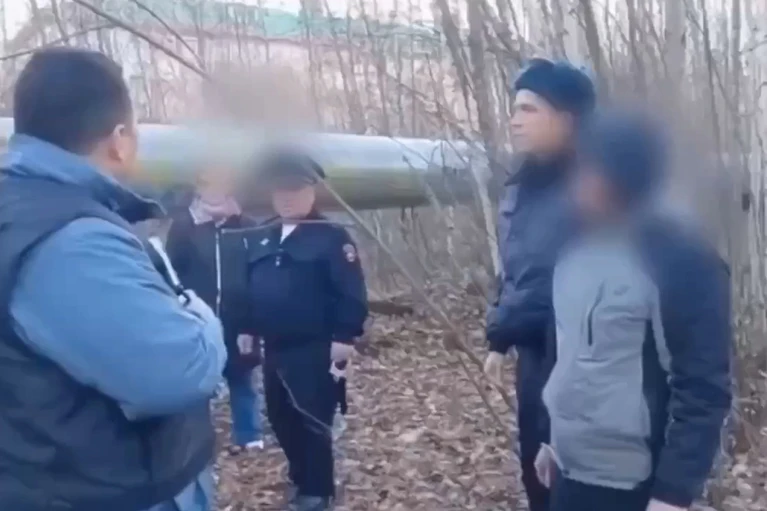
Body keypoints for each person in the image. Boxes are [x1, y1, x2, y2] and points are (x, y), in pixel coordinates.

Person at [0, 48, 226, 511]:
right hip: (106, 487)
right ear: (120, 140)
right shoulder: (73, 241)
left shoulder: (19, 209)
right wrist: (201, 314)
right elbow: (180, 370)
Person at [538, 110, 732, 511]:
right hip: (571, 473)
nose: (577, 180)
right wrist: (555, 442)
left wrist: (673, 493)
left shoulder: (681, 258)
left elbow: (703, 388)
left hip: (636, 486)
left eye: (590, 168)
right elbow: (570, 359)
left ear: (624, 175)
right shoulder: (573, 248)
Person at [482, 58, 596, 511]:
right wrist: (499, 335)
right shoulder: (522, 185)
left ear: (567, 119)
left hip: (587, 365)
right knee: (538, 479)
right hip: (535, 358)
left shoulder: (598, 186)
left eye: (529, 109)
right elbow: (517, 269)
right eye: (514, 109)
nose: (514, 120)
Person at [245, 152, 369, 511]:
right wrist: (247, 327)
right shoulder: (264, 234)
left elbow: (351, 291)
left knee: (313, 420)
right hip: (274, 347)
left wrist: (345, 336)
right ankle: (300, 477)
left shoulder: (331, 237)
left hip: (315, 347)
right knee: (280, 418)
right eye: (280, 191)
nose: (287, 198)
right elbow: (250, 286)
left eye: (295, 190)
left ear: (311, 192)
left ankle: (317, 491)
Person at [165, 168, 264, 454]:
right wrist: (181, 311)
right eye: (207, 185)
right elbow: (171, 272)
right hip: (198, 320)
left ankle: (249, 436)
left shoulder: (246, 226)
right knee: (199, 382)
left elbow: (257, 277)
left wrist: (251, 325)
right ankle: (199, 441)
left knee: (242, 378)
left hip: (239, 320)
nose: (214, 191)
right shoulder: (185, 226)